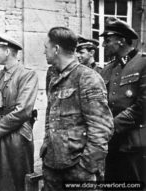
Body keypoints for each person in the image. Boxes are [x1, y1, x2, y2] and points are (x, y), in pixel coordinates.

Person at [40, 27, 114, 191]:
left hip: (77, 169)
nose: (43, 52)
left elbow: (102, 128)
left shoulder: (87, 77)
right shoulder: (52, 75)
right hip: (52, 166)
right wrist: (46, 149)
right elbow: (50, 115)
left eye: (46, 48)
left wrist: (85, 167)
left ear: (56, 49)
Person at [0, 33, 39, 191]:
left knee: (15, 181)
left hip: (17, 137)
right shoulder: (0, 75)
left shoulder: (27, 74)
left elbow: (23, 110)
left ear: (7, 51)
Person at [100, 17, 146, 185]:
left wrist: (111, 126)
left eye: (107, 40)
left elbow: (142, 106)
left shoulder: (143, 63)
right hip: (111, 144)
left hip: (135, 144)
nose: (104, 45)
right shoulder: (107, 69)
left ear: (120, 40)